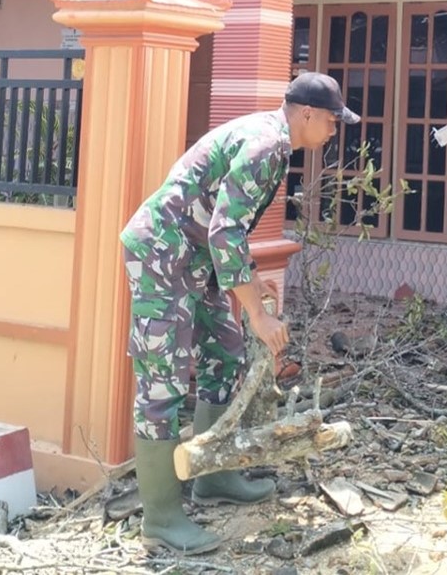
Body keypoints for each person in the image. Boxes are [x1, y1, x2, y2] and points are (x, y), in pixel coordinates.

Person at [119, 71, 358, 554]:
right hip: (162, 255)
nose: (335, 130)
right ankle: (161, 518)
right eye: (333, 121)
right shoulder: (265, 146)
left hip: (195, 257)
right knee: (162, 382)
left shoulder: (274, 142)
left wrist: (250, 278)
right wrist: (259, 315)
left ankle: (214, 475)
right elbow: (225, 231)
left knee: (226, 353)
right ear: (307, 114)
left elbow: (224, 224)